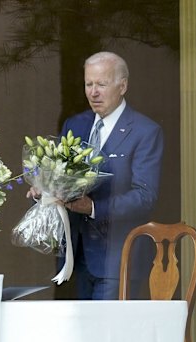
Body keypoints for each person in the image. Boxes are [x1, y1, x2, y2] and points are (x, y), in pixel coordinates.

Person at [28, 51, 164, 300]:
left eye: (101, 84)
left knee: (107, 336)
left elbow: (145, 197)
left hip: (116, 260)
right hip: (74, 258)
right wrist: (44, 190)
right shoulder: (75, 124)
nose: (93, 92)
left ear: (122, 86)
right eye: (88, 84)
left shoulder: (145, 131)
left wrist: (93, 207)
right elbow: (61, 175)